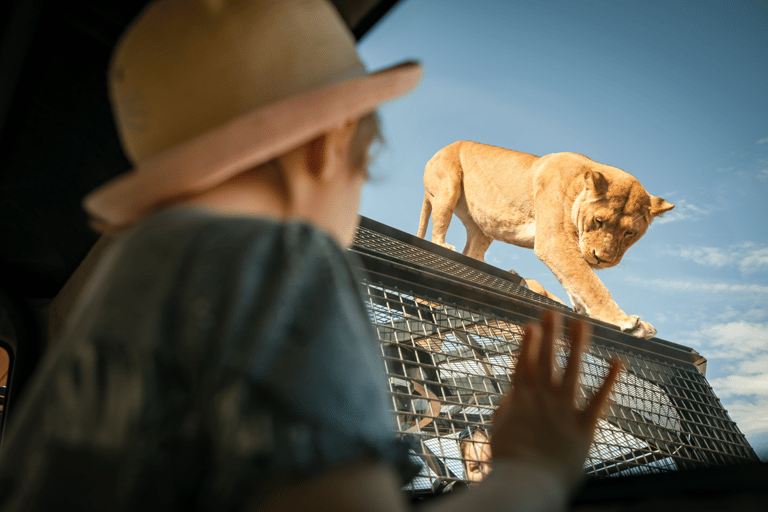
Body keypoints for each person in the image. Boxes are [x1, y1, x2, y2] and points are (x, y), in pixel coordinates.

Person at [0, 1, 622, 511]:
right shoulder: (278, 258)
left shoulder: (124, 285)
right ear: (329, 146)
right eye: (368, 168)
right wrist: (533, 474)